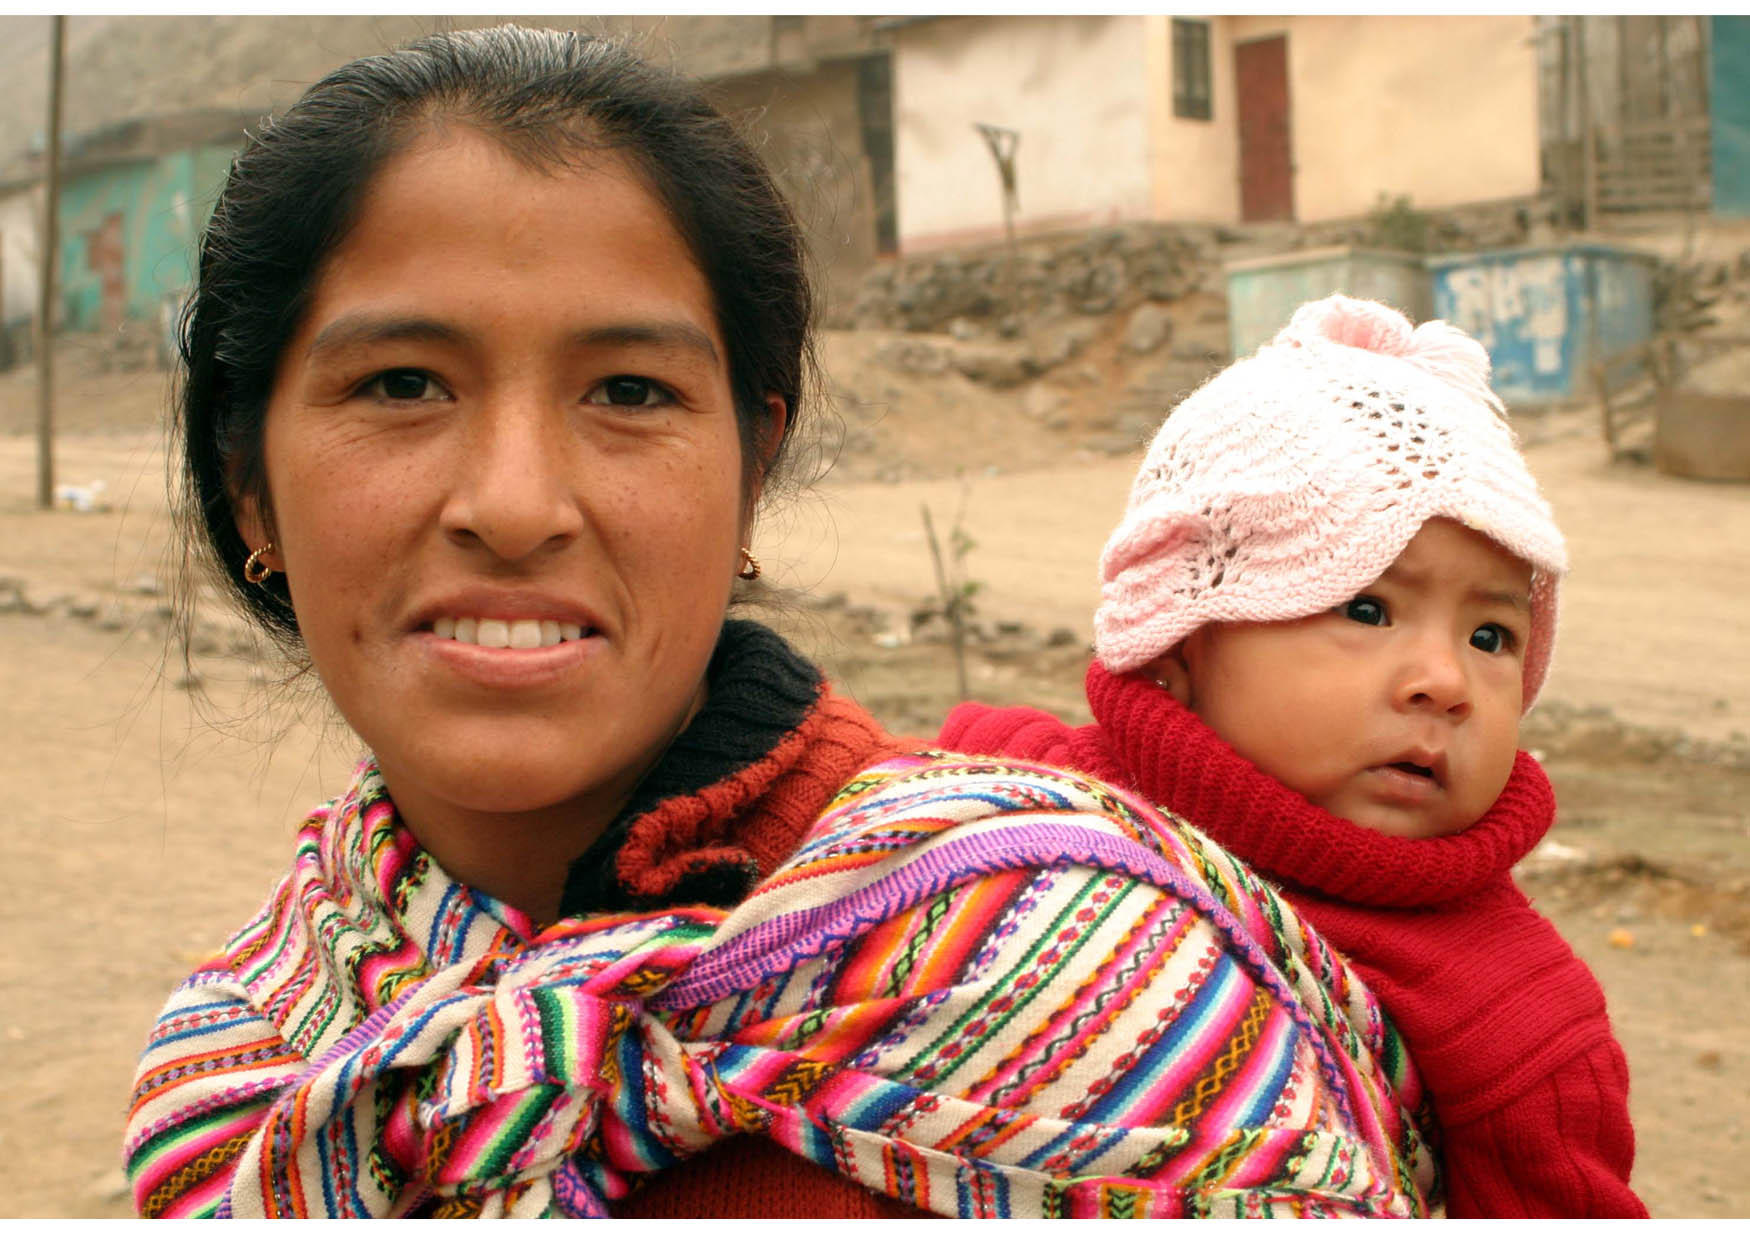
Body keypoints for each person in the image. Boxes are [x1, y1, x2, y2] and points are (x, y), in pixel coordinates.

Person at [122, 29, 1438, 1218]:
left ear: (751, 470)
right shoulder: (245, 1072)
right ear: (251, 487)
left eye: (628, 390)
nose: (514, 506)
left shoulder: (1084, 983)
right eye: (402, 383)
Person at [941, 294, 1647, 1218]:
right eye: (1366, 609)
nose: (1445, 680)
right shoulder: (1030, 788)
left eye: (1491, 635)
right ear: (1182, 643)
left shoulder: (1518, 1021)